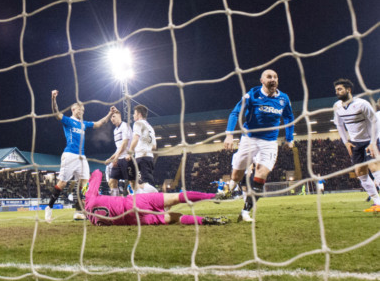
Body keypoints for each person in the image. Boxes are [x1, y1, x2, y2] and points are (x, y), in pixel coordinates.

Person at [219, 70, 294, 222]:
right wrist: (229, 134)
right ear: (262, 80)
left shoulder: (283, 98)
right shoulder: (252, 95)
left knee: (261, 175)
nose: (273, 79)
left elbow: (288, 117)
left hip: (269, 143)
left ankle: (245, 212)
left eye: (275, 77)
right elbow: (235, 113)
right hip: (249, 139)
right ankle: (230, 187)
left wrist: (289, 138)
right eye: (269, 77)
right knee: (236, 176)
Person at [45, 90, 117, 223]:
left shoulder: (83, 124)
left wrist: (109, 114)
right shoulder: (68, 121)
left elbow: (99, 123)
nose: (82, 111)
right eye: (79, 109)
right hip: (70, 155)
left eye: (83, 109)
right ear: (73, 109)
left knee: (84, 183)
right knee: (62, 183)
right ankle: (49, 207)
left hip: (82, 157)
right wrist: (53, 99)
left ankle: (78, 211)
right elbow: (56, 113)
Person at [84, 169, 228, 226]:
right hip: (136, 201)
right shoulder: (90, 197)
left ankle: (207, 221)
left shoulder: (94, 221)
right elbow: (97, 173)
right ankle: (213, 196)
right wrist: (89, 184)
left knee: (176, 217)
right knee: (177, 197)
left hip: (136, 220)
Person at [332, 78, 379, 212]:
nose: (337, 92)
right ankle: (377, 201)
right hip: (355, 143)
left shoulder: (362, 104)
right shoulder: (337, 106)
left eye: (340, 89)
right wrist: (346, 142)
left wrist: (373, 142)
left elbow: (374, 121)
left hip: (369, 141)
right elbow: (339, 125)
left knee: (374, 167)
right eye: (336, 90)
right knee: (360, 173)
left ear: (349, 90)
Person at [126, 105, 159, 194]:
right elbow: (154, 146)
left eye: (134, 113)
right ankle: (151, 202)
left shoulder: (138, 123)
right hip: (149, 158)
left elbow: (135, 138)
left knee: (144, 184)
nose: (133, 115)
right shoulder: (150, 127)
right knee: (146, 182)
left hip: (141, 158)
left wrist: (130, 152)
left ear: (139, 114)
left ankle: (158, 198)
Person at [105, 110, 132, 196]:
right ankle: (115, 203)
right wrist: (111, 158)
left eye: (114, 116)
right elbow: (118, 148)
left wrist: (115, 158)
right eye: (111, 117)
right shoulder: (115, 130)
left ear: (119, 116)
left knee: (132, 183)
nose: (112, 119)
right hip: (118, 159)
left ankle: (137, 202)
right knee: (112, 181)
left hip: (127, 159)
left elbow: (124, 144)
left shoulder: (125, 126)